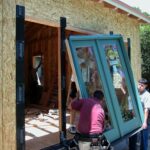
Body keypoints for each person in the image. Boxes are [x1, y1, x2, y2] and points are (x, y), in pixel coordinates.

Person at [129, 78, 150, 150]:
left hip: (145, 120)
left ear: (145, 86)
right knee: (132, 138)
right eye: (139, 84)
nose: (140, 86)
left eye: (142, 85)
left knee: (143, 140)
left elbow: (146, 109)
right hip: (134, 119)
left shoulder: (147, 95)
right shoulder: (134, 93)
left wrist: (144, 122)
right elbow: (131, 108)